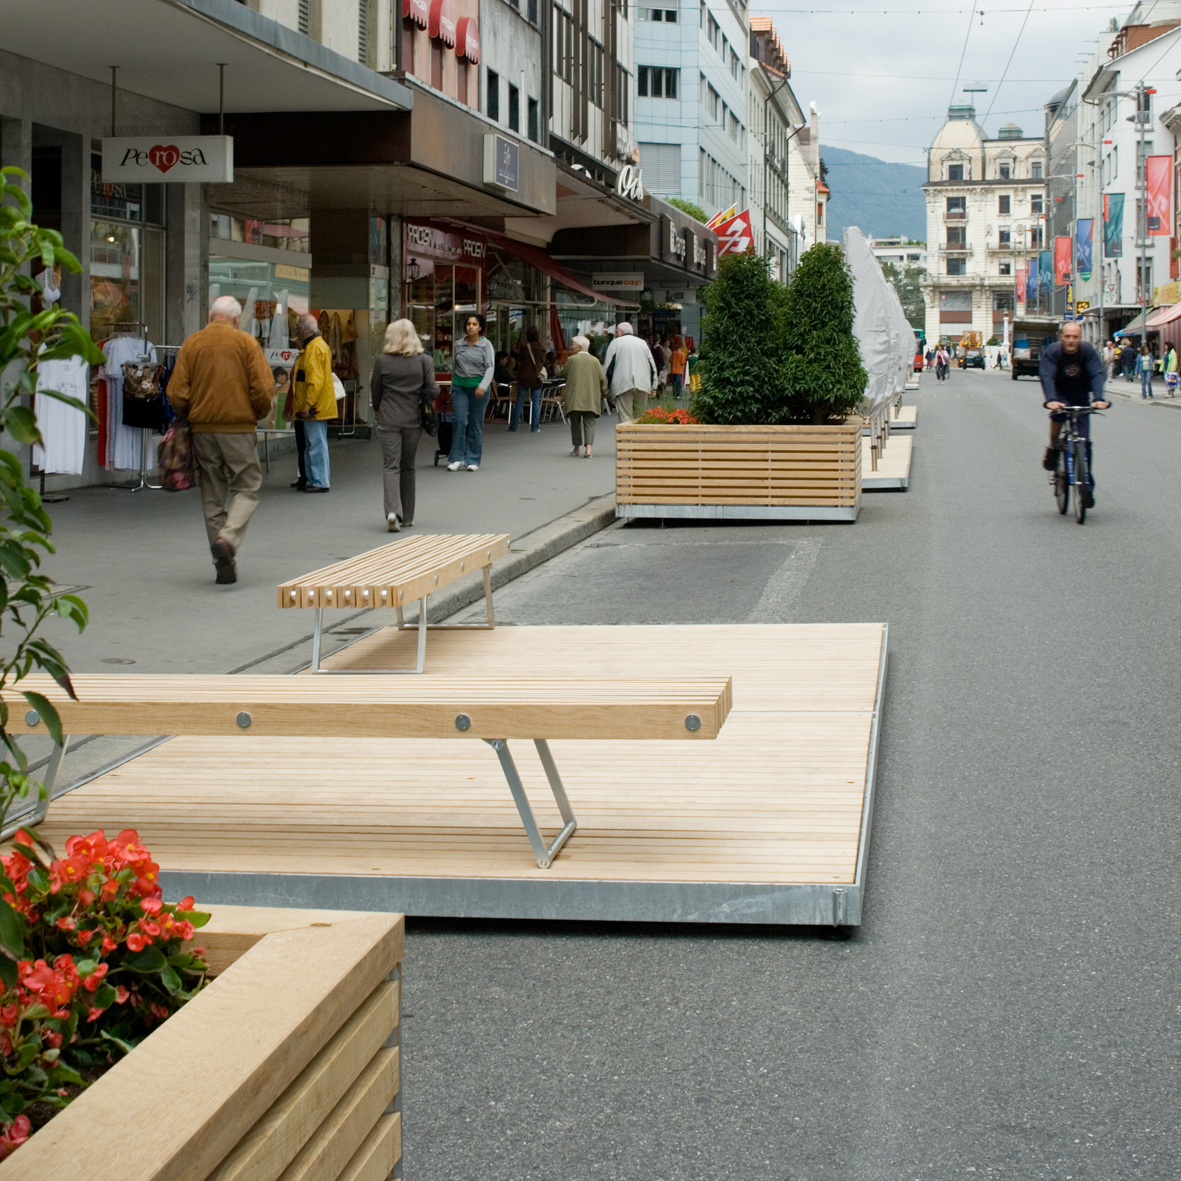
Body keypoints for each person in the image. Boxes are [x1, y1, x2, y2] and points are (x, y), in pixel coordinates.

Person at [166, 295, 275, 585]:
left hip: (202, 429)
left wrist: (191, 414)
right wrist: (256, 414)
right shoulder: (246, 344)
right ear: (237, 318)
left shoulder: (192, 344)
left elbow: (176, 392)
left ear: (211, 315)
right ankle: (227, 540)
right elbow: (263, 390)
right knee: (248, 486)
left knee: (212, 494)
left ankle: (222, 561)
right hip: (238, 427)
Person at [370, 318, 438, 532]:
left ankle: (392, 512)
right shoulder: (424, 361)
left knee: (391, 466)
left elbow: (376, 389)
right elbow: (433, 390)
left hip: (389, 419)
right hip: (413, 420)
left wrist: (378, 410)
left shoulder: (383, 360)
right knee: (408, 466)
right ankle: (407, 516)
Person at [1040, 321, 1110, 504]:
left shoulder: (1087, 351)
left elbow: (1096, 374)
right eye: (1068, 336)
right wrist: (1051, 399)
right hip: (1060, 393)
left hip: (1080, 394)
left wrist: (1098, 399)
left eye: (1075, 337)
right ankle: (1054, 448)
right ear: (1062, 337)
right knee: (1058, 414)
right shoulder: (1053, 352)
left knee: (1084, 443)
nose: (1071, 340)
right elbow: (1046, 375)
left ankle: (1086, 488)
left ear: (1080, 338)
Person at [290, 313, 336, 492]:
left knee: (315, 444)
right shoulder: (316, 347)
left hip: (313, 407)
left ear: (302, 330)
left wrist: (307, 405)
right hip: (315, 406)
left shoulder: (313, 349)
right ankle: (313, 479)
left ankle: (319, 481)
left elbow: (313, 382)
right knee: (313, 444)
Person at [448, 313, 494, 471]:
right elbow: (454, 366)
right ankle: (457, 458)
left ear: (480, 328)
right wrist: (452, 385)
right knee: (459, 421)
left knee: (475, 423)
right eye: (469, 324)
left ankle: (473, 459)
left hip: (478, 389)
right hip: (460, 387)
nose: (471, 327)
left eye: (475, 324)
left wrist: (483, 385)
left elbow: (490, 367)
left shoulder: (486, 345)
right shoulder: (458, 344)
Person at [562, 335, 608, 458]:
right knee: (590, 422)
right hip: (591, 397)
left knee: (575, 423)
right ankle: (589, 449)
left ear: (580, 347)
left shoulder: (572, 360)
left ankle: (576, 449)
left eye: (573, 344)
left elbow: (563, 373)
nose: (571, 347)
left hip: (575, 397)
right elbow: (603, 379)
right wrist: (605, 393)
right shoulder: (595, 361)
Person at [602, 322, 657, 423]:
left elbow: (608, 367)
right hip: (643, 384)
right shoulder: (642, 343)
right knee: (640, 416)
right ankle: (638, 438)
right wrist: (654, 387)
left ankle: (628, 439)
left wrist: (606, 388)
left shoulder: (615, 343)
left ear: (621, 332)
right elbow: (652, 366)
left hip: (623, 384)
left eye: (616, 332)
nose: (616, 334)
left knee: (625, 416)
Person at [511, 325, 546, 432]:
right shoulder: (542, 348)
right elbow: (543, 361)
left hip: (524, 376)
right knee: (536, 402)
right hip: (536, 377)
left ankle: (513, 426)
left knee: (520, 401)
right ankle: (534, 427)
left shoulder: (524, 347)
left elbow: (520, 360)